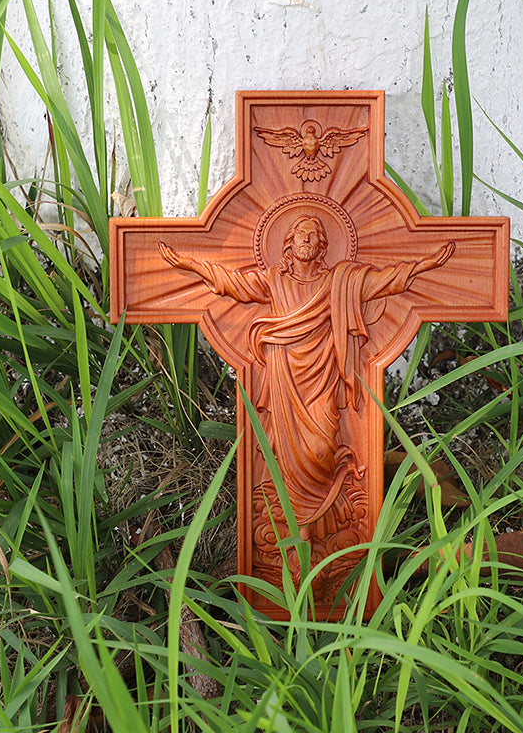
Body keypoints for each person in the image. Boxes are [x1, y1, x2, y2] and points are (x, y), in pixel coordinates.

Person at [159, 215, 454, 545]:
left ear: (322, 247)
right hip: (284, 378)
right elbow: (233, 285)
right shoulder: (274, 280)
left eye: (313, 236)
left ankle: (321, 528)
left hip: (321, 378)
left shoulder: (339, 282)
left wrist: (427, 263)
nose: (306, 240)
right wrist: (189, 263)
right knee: (286, 458)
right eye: (300, 234)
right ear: (288, 242)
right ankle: (300, 534)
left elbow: (384, 282)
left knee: (319, 449)